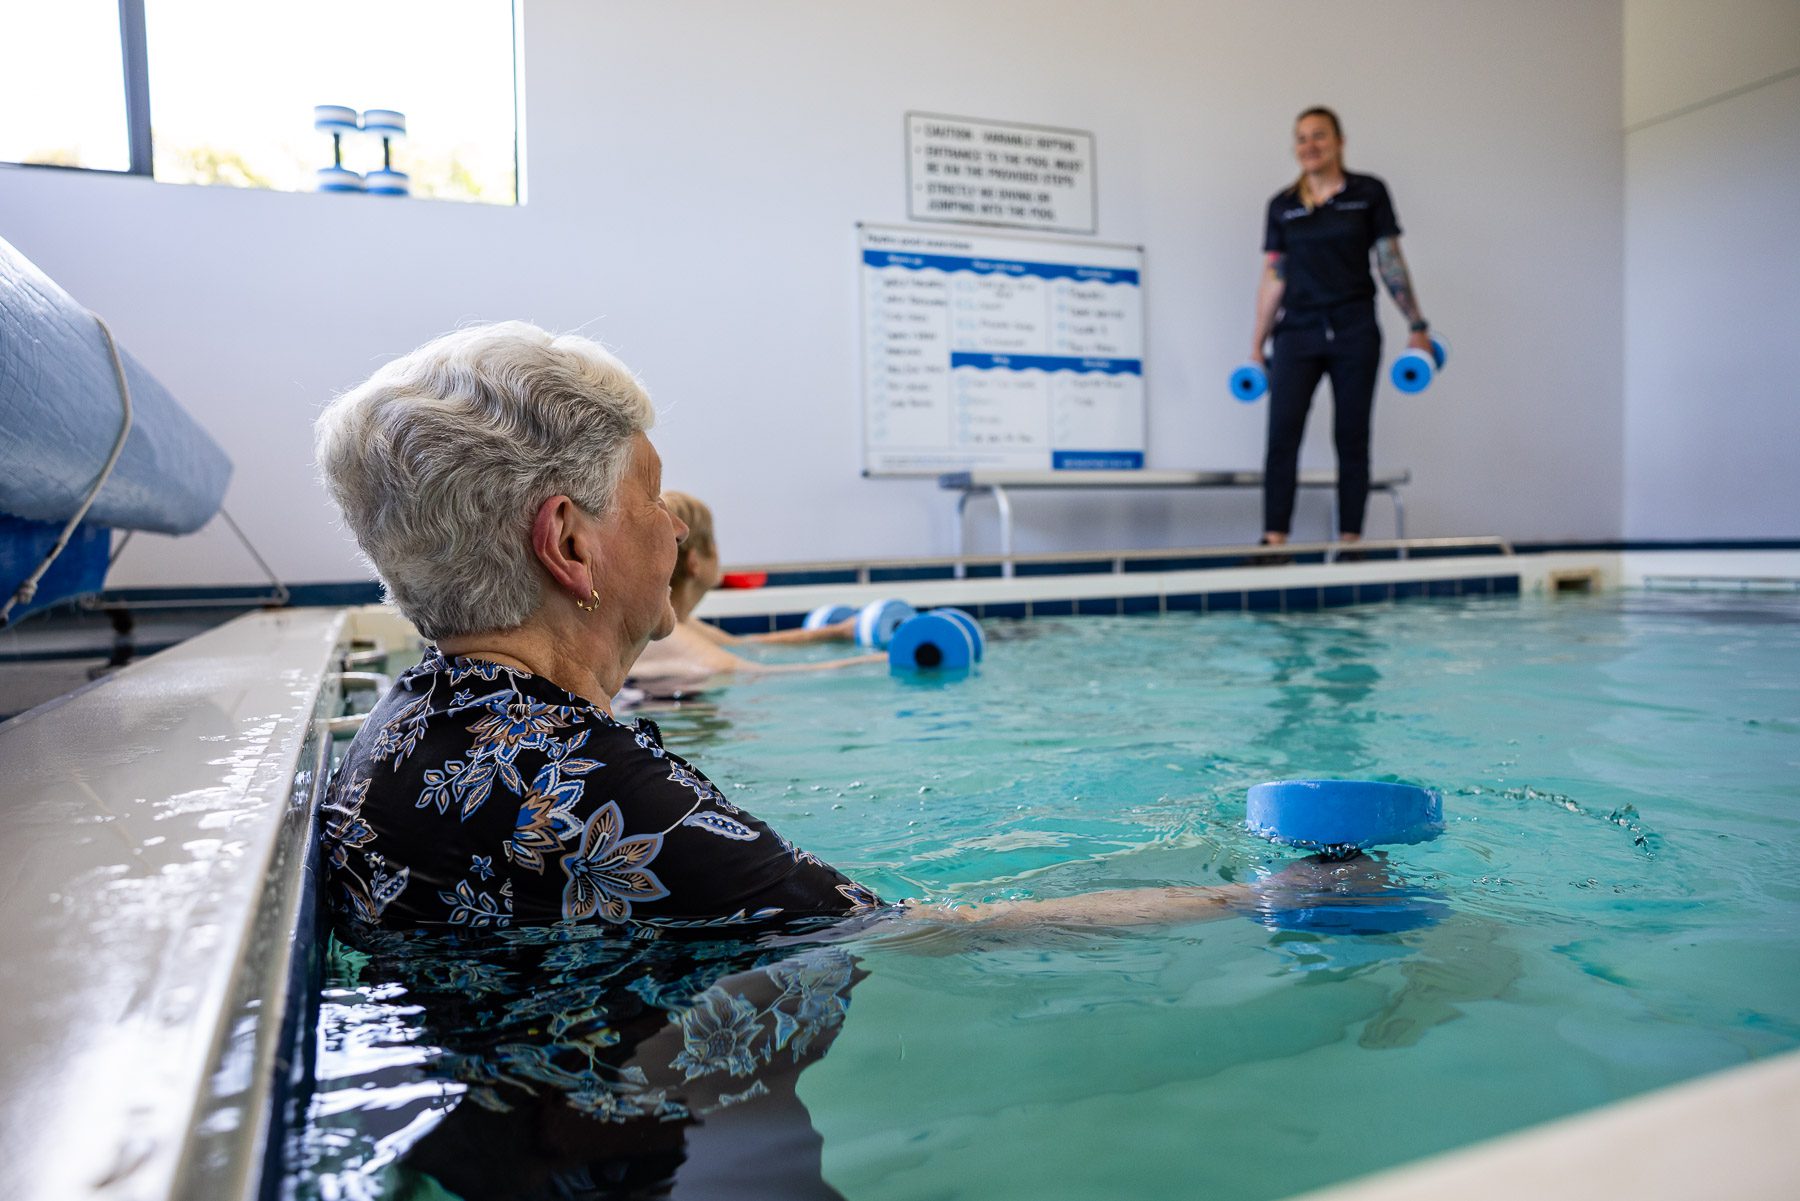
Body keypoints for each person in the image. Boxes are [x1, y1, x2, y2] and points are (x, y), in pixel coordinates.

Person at [313, 321, 1390, 935]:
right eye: (652, 493)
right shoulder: (599, 791)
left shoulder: (400, 734)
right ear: (571, 544)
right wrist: (1262, 896)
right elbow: (921, 938)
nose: (669, 525)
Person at [1248, 106, 1433, 553]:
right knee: (1281, 435)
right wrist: (1256, 346)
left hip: (1354, 329)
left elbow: (1389, 261)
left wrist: (1417, 324)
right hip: (1298, 332)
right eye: (1301, 138)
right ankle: (1274, 542)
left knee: (1351, 435)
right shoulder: (1283, 206)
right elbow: (1275, 276)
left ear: (1339, 142)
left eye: (1319, 136)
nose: (1309, 145)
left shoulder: (1368, 194)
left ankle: (1350, 542)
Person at [626, 490, 878, 687]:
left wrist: (837, 632)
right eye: (713, 542)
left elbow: (743, 644)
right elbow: (755, 673)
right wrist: (883, 662)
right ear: (694, 562)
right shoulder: (664, 636)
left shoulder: (678, 624)